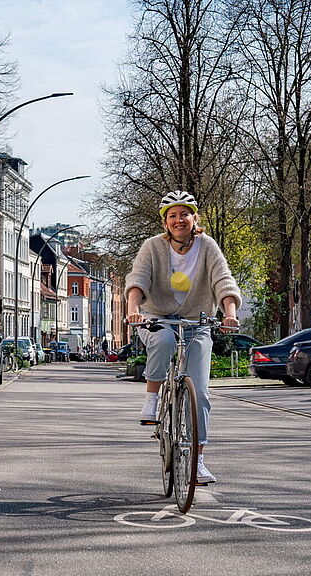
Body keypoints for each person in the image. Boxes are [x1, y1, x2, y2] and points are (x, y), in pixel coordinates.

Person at [124, 190, 241, 484]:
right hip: (157, 318)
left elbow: (223, 280)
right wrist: (133, 310)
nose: (179, 220)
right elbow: (138, 279)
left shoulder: (207, 246)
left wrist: (229, 313)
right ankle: (152, 400)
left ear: (194, 218)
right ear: (165, 222)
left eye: (184, 214)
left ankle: (198, 461)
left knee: (199, 392)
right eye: (173, 215)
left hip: (196, 322)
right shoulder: (152, 247)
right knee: (164, 342)